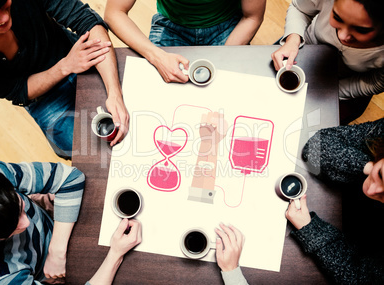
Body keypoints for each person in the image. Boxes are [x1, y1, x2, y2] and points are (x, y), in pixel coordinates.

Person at [0, 0, 129, 159]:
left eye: (4, 5)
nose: (3, 18)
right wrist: (64, 67)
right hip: (44, 97)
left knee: (132, 103)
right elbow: (18, 90)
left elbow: (87, 21)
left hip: (75, 53)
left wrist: (114, 93)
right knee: (87, 149)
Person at [0, 160, 142, 284]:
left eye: (21, 208)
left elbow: (71, 178)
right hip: (53, 274)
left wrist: (56, 252)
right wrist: (116, 254)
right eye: (12, 229)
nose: (26, 223)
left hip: (56, 235)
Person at [285, 119, 384, 284]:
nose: (372, 191)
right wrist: (367, 167)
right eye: (381, 175)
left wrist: (311, 230)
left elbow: (358, 278)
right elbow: (316, 147)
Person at [271, 0, 384, 124]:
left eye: (361, 30)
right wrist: (293, 39)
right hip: (302, 47)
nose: (342, 36)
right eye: (337, 17)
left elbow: (375, 82)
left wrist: (332, 92)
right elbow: (300, 8)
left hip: (348, 84)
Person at [104, 0, 266, 83]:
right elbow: (114, 13)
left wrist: (223, 59)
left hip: (227, 25)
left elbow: (252, 17)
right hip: (171, 25)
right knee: (157, 92)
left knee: (232, 89)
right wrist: (157, 56)